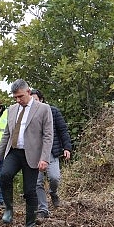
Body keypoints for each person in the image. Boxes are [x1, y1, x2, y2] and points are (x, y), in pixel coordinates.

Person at [0, 79, 53, 227]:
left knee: (29, 191)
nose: (18, 100)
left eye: (20, 96)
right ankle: (8, 209)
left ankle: (30, 226)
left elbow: (48, 135)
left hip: (33, 155)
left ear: (28, 92)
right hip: (14, 152)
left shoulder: (43, 109)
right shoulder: (12, 110)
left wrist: (45, 158)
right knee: (4, 175)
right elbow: (7, 134)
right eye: (15, 98)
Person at [31, 89, 73, 218]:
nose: (33, 103)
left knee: (54, 177)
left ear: (42, 100)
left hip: (51, 152)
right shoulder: (28, 115)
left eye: (36, 100)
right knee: (37, 182)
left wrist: (67, 147)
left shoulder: (53, 111)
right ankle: (43, 209)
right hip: (35, 153)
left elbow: (63, 130)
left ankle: (53, 193)